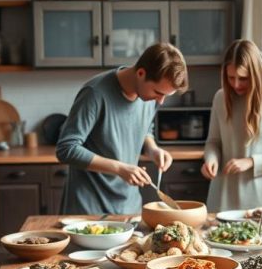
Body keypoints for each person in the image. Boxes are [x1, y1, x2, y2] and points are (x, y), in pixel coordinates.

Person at [57, 43, 188, 214]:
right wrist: (120, 168)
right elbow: (66, 149)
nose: (161, 101)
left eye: (165, 95)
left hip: (128, 208)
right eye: (158, 92)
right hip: (88, 210)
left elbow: (145, 129)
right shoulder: (95, 93)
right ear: (141, 73)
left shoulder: (149, 97)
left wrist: (153, 149)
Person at [202, 40, 262, 212]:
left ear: (257, 74)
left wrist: (252, 162)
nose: (236, 84)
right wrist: (211, 159)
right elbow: (213, 142)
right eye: (231, 77)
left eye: (243, 78)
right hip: (224, 195)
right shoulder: (220, 98)